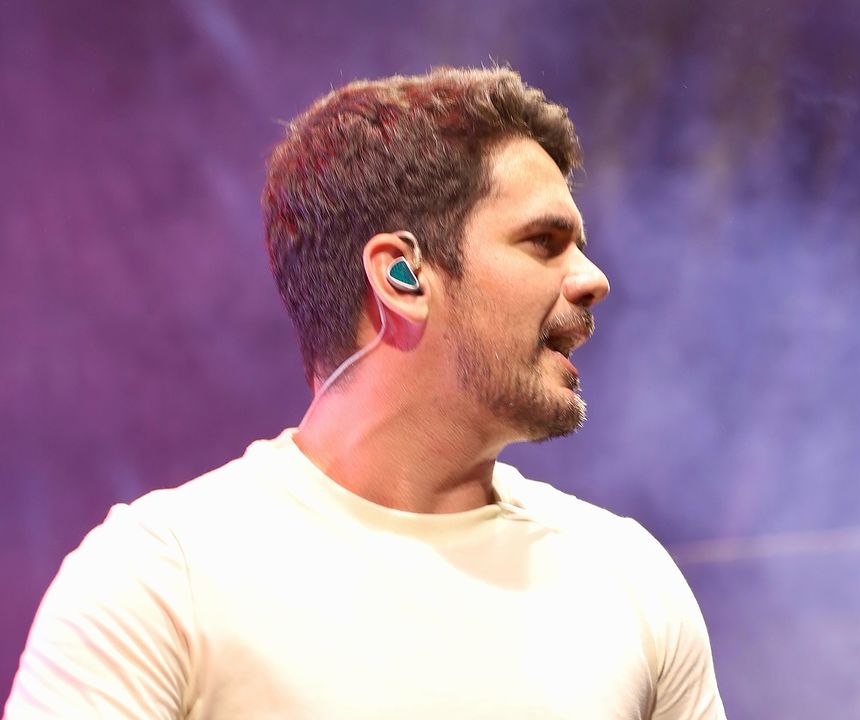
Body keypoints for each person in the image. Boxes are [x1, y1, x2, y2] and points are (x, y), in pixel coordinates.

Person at [5, 67, 725, 719]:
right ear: (402, 277)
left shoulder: (630, 579)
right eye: (544, 241)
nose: (593, 278)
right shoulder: (160, 581)